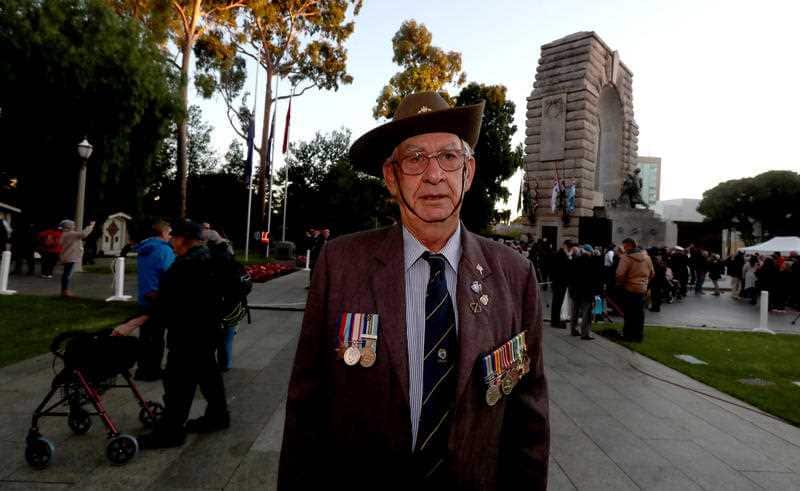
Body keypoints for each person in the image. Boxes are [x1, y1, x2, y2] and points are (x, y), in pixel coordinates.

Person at [279, 92, 549, 489]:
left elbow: (529, 421)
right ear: (391, 176)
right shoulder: (340, 265)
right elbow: (306, 408)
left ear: (468, 173)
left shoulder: (514, 276)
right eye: (415, 158)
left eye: (449, 157)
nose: (434, 175)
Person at [113, 220, 230, 448]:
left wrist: (131, 324)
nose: (171, 241)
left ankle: (170, 432)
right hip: (210, 329)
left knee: (178, 382)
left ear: (184, 239)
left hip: (188, 333)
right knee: (208, 373)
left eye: (173, 237)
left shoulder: (185, 265)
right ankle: (218, 416)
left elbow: (167, 304)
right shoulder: (210, 258)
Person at [132, 219, 176, 381]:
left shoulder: (144, 249)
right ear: (163, 233)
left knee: (145, 336)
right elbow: (170, 274)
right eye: (170, 233)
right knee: (157, 339)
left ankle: (142, 369)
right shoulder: (164, 251)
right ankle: (152, 370)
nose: (172, 237)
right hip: (158, 298)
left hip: (144, 296)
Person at [615, 238, 654, 342]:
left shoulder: (626, 258)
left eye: (625, 246)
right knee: (640, 313)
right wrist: (645, 283)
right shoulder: (647, 258)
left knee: (629, 313)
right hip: (642, 289)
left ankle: (628, 335)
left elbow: (620, 274)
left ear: (629, 246)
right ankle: (638, 335)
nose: (624, 248)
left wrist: (621, 284)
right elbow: (652, 274)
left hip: (629, 288)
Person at [568, 245, 603, 339]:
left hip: (576, 290)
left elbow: (571, 276)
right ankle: (585, 333)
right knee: (586, 313)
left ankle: (573, 329)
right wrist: (598, 257)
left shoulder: (575, 260)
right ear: (590, 251)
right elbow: (597, 275)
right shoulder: (592, 262)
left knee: (575, 311)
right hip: (587, 291)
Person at [58, 219, 95, 297]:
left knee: (66, 274)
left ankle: (64, 291)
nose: (74, 226)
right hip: (70, 257)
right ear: (68, 226)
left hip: (66, 256)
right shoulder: (70, 234)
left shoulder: (64, 234)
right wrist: (91, 226)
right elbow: (84, 234)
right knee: (67, 274)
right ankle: (65, 291)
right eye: (73, 225)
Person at [549, 239, 575, 329]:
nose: (569, 248)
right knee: (557, 302)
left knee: (558, 302)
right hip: (559, 282)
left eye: (570, 247)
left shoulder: (561, 254)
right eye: (569, 246)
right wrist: (569, 257)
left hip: (560, 282)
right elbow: (565, 267)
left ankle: (555, 320)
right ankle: (555, 321)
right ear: (564, 246)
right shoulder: (561, 255)